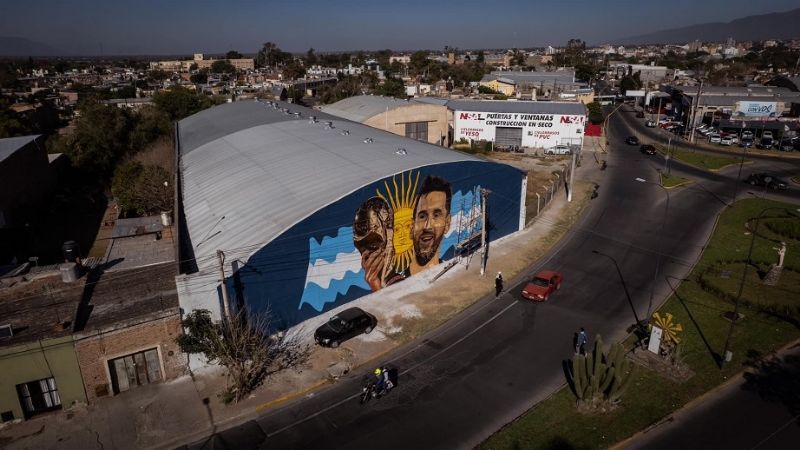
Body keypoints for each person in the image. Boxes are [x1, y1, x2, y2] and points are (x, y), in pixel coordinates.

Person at [409, 176, 452, 275]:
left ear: (447, 224)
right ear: (412, 227)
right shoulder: (396, 282)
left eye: (436, 215)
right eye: (422, 216)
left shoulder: (452, 276)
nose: (427, 226)